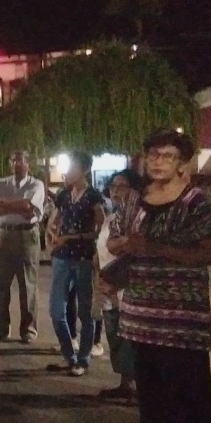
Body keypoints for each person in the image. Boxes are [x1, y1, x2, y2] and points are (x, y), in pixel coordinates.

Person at [105, 129, 211, 423]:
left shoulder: (195, 201)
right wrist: (122, 246)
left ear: (182, 162)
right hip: (141, 310)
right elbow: (116, 238)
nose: (159, 161)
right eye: (153, 154)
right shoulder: (134, 200)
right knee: (153, 380)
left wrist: (156, 248)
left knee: (190, 382)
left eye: (168, 156)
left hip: (182, 313)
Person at [44, 151, 105, 377]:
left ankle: (83, 359)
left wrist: (71, 238)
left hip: (83, 259)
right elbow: (54, 220)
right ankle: (69, 355)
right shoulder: (64, 194)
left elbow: (99, 230)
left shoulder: (93, 197)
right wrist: (51, 235)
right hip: (62, 258)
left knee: (85, 312)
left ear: (85, 170)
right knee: (56, 311)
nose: (67, 172)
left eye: (72, 168)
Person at [0, 151, 45, 343]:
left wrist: (3, 204)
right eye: (13, 160)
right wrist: (17, 206)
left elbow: (29, 207)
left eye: (20, 161)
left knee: (27, 284)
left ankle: (28, 330)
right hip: (2, 234)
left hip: (26, 235)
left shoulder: (36, 184)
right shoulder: (0, 184)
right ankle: (0, 329)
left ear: (28, 164)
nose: (16, 164)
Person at [97, 169, 141, 404]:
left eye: (122, 186)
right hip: (108, 284)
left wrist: (116, 280)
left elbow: (131, 251)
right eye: (113, 186)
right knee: (114, 331)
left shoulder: (137, 218)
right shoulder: (111, 218)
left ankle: (136, 386)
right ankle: (125, 383)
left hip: (125, 285)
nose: (115, 191)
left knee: (128, 335)